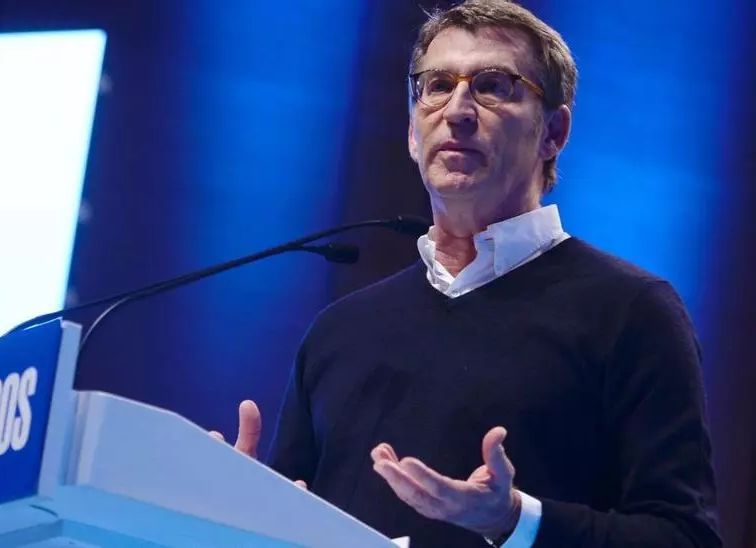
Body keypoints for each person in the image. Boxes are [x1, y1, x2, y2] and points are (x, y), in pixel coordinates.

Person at [209, 1, 722, 546]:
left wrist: (515, 521)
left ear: (553, 132)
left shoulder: (631, 311)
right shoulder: (339, 330)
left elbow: (684, 537)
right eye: (437, 86)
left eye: (493, 86)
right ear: (413, 131)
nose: (457, 110)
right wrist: (237, 519)